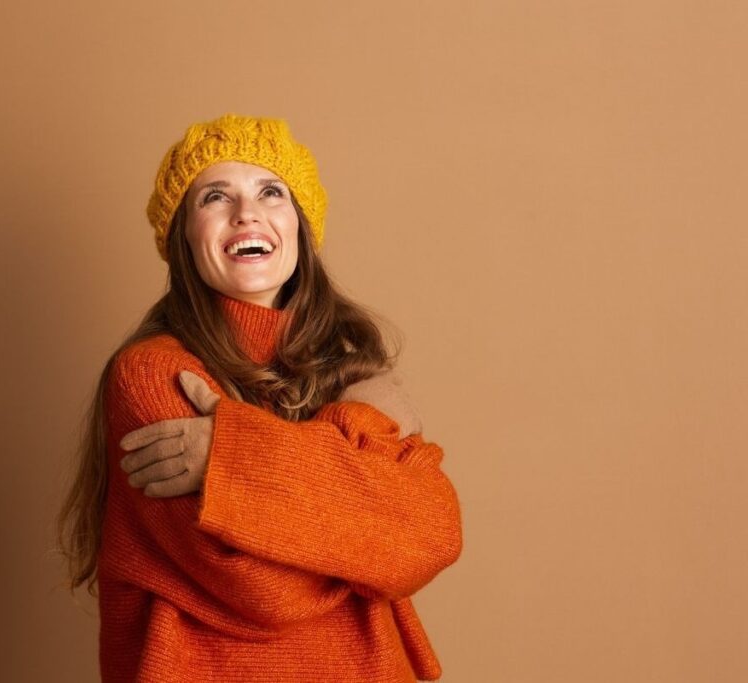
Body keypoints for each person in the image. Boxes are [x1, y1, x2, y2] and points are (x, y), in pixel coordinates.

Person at [56, 113, 463, 682]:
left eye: (271, 192)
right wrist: (369, 535)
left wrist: (237, 459)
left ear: (298, 224)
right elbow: (265, 590)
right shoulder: (150, 375)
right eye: (215, 197)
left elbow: (434, 534)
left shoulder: (354, 383)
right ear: (182, 238)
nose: (246, 213)